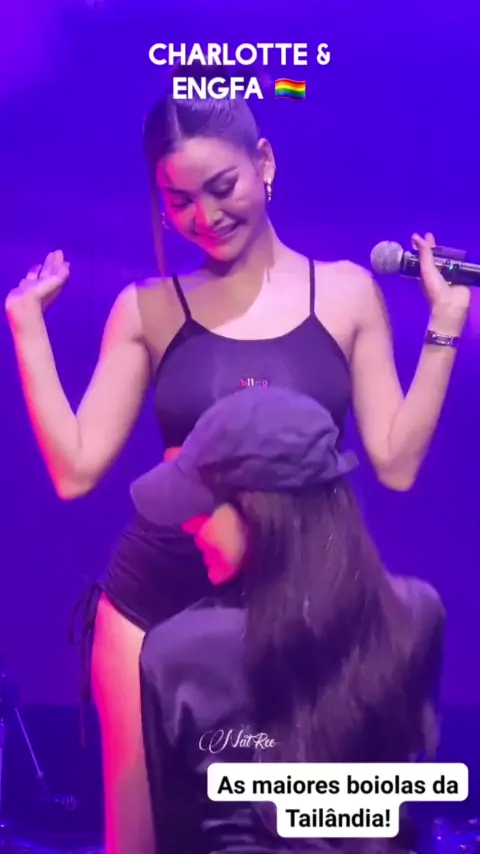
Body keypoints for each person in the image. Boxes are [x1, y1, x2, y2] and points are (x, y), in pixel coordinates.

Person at [4, 62, 466, 854]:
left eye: (221, 187)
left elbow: (394, 462)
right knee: (145, 840)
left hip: (303, 609)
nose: (204, 216)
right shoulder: (148, 309)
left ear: (265, 163)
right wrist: (25, 328)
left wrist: (445, 325)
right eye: (178, 200)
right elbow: (75, 469)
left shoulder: (345, 293)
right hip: (155, 604)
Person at [138, 384, 446, 854]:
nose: (188, 524)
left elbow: (171, 834)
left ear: (263, 511)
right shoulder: (416, 615)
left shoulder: (180, 652)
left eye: (203, 507)